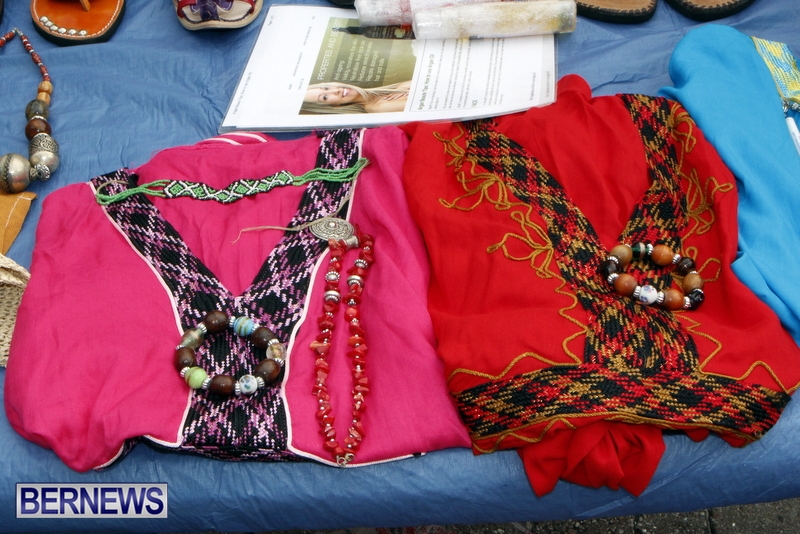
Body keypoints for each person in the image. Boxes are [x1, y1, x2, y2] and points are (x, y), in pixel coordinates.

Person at [301, 81, 411, 114]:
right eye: (325, 97)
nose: (335, 91)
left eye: (326, 88)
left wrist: (402, 88)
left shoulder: (389, 89)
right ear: (333, 106)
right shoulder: (376, 108)